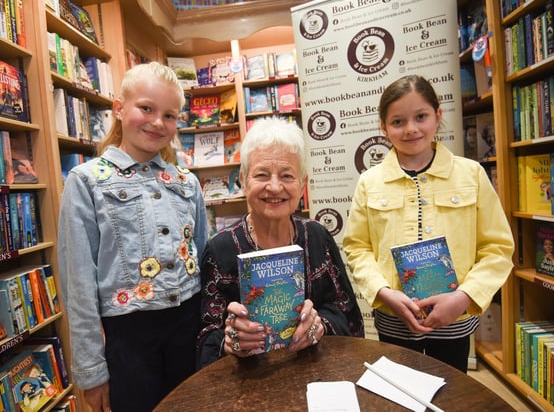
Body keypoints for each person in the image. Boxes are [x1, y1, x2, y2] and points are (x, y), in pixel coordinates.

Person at [58, 62, 207, 412]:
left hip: (188, 329)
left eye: (170, 115)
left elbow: (202, 261)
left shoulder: (187, 183)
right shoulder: (86, 181)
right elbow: (78, 285)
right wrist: (91, 372)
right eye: (146, 108)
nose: (158, 122)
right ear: (119, 108)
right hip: (127, 341)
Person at [342, 75, 514, 372]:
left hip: (454, 318)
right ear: (383, 127)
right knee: (397, 392)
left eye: (420, 116)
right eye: (398, 121)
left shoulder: (471, 174)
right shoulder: (370, 182)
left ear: (437, 116)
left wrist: (464, 297)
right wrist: (384, 292)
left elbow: (496, 248)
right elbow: (357, 248)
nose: (411, 129)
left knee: (449, 391)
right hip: (394, 319)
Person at [197, 116, 364, 368]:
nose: (274, 187)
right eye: (262, 174)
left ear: (302, 184)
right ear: (242, 180)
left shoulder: (317, 237)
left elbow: (347, 315)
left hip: (315, 375)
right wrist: (231, 341)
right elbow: (205, 339)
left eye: (287, 176)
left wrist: (318, 325)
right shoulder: (221, 249)